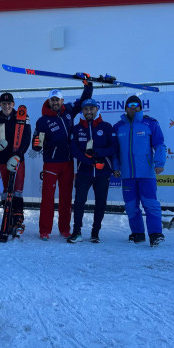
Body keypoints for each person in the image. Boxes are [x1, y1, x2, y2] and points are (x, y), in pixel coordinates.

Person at [32, 78, 93, 240]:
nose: (55, 103)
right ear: (49, 102)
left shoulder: (69, 111)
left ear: (62, 100)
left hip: (67, 162)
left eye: (57, 100)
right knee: (48, 199)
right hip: (51, 163)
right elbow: (36, 143)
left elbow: (82, 102)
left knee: (66, 198)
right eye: (52, 100)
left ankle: (65, 228)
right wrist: (37, 144)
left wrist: (88, 86)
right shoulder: (43, 120)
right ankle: (44, 230)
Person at [112, 95, 166, 247]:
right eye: (130, 105)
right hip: (127, 175)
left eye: (136, 105)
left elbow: (160, 145)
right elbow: (115, 152)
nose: (133, 107)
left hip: (146, 174)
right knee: (130, 205)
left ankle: (155, 234)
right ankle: (137, 233)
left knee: (150, 203)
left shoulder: (150, 123)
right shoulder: (118, 126)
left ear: (141, 107)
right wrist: (116, 168)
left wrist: (159, 162)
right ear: (126, 108)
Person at [67, 98, 114, 243]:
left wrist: (97, 153)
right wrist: (90, 161)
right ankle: (77, 232)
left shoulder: (106, 127)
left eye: (91, 109)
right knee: (79, 202)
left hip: (103, 172)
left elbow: (113, 148)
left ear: (97, 109)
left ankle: (95, 233)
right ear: (82, 111)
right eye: (86, 109)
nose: (88, 111)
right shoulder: (76, 128)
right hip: (84, 172)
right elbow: (74, 150)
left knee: (101, 202)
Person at [0, 92, 31, 237]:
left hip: (17, 160)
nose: (6, 106)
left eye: (9, 104)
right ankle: (7, 220)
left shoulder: (21, 116)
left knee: (17, 191)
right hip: (2, 161)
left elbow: (26, 139)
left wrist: (18, 156)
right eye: (4, 103)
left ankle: (18, 220)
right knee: (4, 192)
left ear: (13, 104)